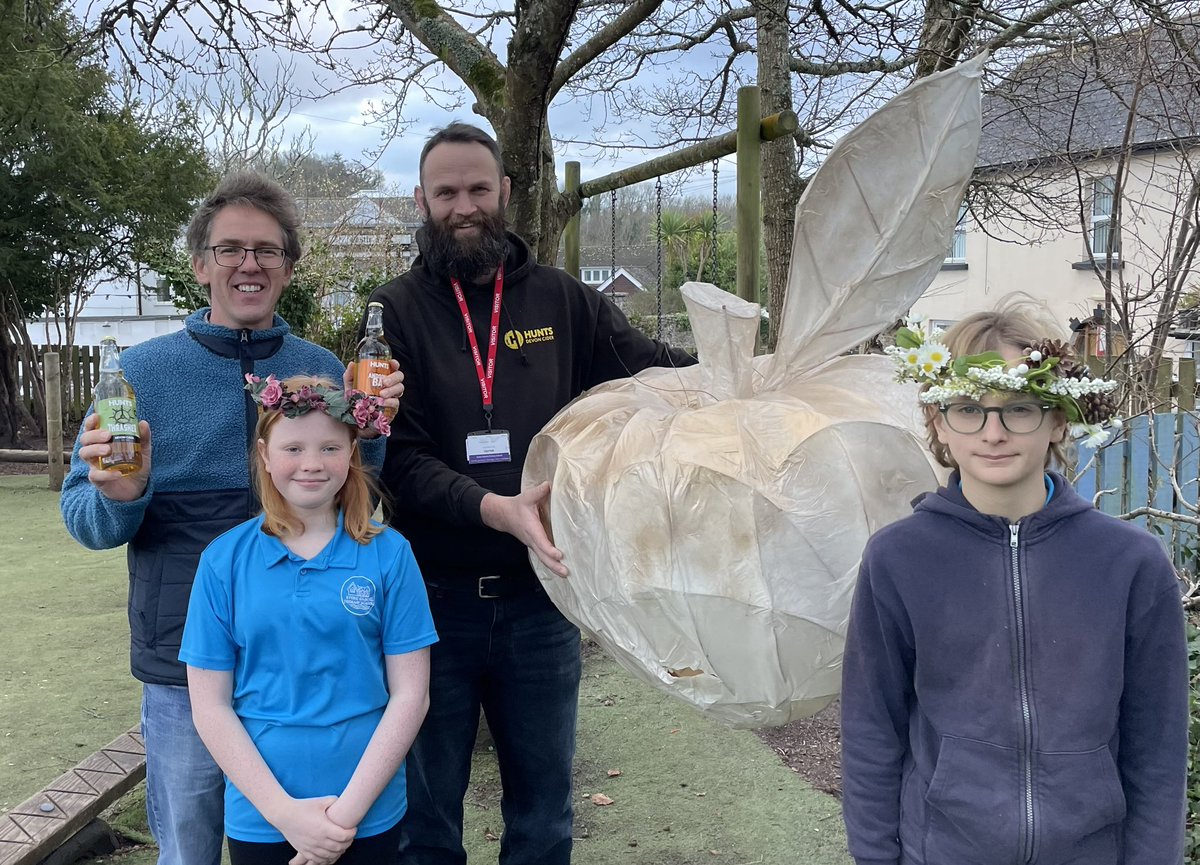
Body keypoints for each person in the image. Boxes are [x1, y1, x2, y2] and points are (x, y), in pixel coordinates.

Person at [365, 122, 695, 865]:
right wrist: (496, 509)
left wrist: (745, 372)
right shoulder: (392, 312)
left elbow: (653, 373)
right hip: (429, 602)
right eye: (446, 192)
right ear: (421, 199)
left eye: (479, 189)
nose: (464, 206)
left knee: (544, 818)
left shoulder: (563, 300)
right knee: (426, 823)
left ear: (506, 193)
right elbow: (399, 461)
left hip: (540, 599)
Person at [59, 172, 404, 865]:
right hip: (183, 669)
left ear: (288, 266)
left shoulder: (323, 369)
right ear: (199, 265)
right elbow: (84, 515)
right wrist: (121, 496)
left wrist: (374, 434)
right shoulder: (140, 376)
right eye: (230, 249)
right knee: (188, 850)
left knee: (298, 843)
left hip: (301, 672)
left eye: (267, 250)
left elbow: (352, 494)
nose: (249, 264)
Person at [840, 298, 1188, 865]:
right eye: (968, 409)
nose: (993, 432)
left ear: (1057, 419)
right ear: (938, 421)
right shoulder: (897, 560)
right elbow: (870, 729)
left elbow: (1158, 744)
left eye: (1019, 408)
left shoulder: (1130, 564)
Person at [180, 375, 437, 865]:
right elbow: (210, 706)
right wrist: (286, 815)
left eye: (329, 447)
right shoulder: (223, 561)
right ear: (264, 453)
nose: (312, 464)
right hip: (263, 815)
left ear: (352, 454)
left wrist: (342, 821)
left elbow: (411, 695)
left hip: (368, 811)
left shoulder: (389, 554)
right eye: (293, 447)